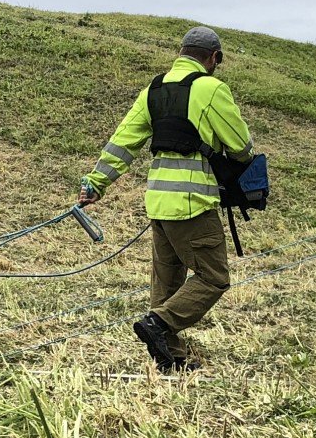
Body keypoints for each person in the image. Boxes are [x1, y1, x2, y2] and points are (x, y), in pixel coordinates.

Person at [79, 26, 254, 372]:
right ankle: (160, 323)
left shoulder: (153, 90)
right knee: (214, 277)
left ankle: (170, 359)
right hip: (194, 202)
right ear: (213, 58)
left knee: (167, 280)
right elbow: (241, 146)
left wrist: (97, 182)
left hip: (159, 200)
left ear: (182, 50)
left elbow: (123, 142)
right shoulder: (211, 88)